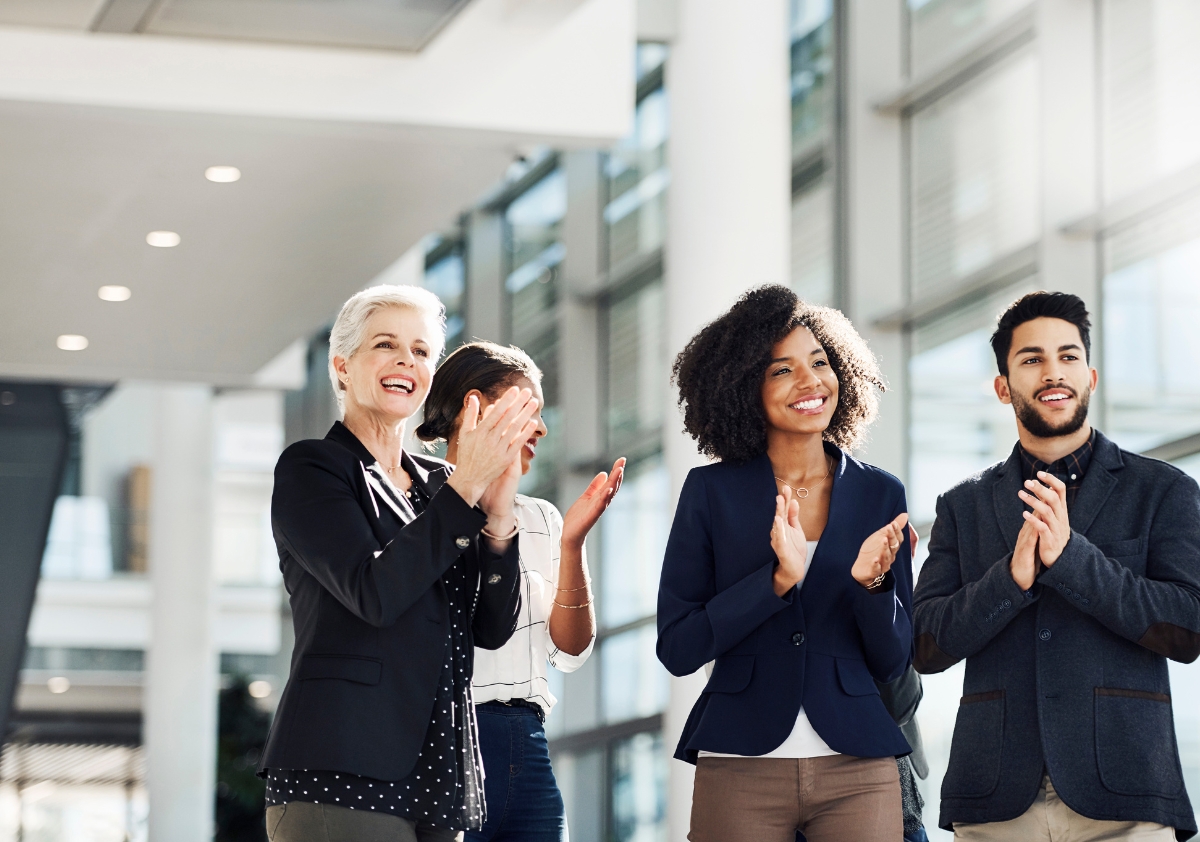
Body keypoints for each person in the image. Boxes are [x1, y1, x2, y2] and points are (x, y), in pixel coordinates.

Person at [912, 291, 1200, 840]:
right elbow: (926, 645)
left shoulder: (1162, 490)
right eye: (1031, 359)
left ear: (1090, 376)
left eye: (1068, 357)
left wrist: (1072, 560)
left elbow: (1187, 627)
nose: (1053, 373)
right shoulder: (961, 506)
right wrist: (1009, 580)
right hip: (996, 800)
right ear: (1003, 387)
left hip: (1127, 794)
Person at [259, 285, 541, 842]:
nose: (405, 363)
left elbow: (490, 627)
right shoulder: (313, 470)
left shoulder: (441, 485)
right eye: (385, 345)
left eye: (420, 352)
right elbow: (375, 592)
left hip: (438, 775)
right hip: (341, 770)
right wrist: (468, 489)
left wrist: (499, 512)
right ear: (343, 367)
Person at [657, 284, 916, 842]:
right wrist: (775, 582)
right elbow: (678, 648)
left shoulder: (880, 495)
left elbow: (894, 658)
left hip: (859, 767)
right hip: (740, 762)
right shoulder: (711, 492)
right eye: (781, 370)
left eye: (819, 363)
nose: (810, 382)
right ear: (743, 388)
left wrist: (873, 586)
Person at [414, 341, 624, 842]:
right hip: (442, 739)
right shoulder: (415, 507)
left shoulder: (541, 518)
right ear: (475, 408)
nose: (543, 429)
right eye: (529, 408)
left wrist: (571, 544)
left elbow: (569, 653)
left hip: (525, 746)